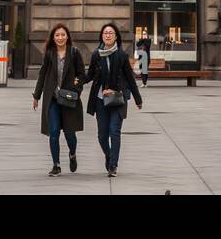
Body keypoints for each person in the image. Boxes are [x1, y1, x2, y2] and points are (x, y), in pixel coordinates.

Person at [85, 22, 142, 177]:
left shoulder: (122, 56)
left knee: (114, 132)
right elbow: (89, 75)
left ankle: (113, 166)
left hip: (117, 99)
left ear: (116, 36)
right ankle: (109, 155)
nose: (108, 35)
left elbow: (130, 78)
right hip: (100, 100)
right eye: (105, 33)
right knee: (102, 135)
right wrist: (75, 82)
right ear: (102, 37)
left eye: (111, 33)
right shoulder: (96, 54)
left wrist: (138, 99)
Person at [32, 23, 86, 175]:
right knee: (54, 131)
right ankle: (56, 165)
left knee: (70, 133)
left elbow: (82, 75)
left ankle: (72, 153)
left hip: (69, 99)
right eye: (57, 35)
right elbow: (42, 74)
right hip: (53, 99)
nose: (60, 38)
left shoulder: (74, 53)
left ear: (67, 36)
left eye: (63, 35)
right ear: (53, 37)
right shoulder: (49, 53)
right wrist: (37, 96)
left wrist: (77, 89)